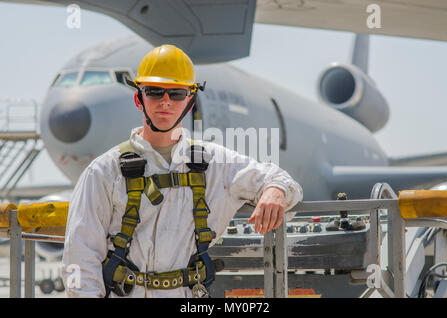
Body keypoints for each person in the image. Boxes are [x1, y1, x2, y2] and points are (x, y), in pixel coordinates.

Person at [62, 44, 303, 298]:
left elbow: (282, 181)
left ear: (189, 101)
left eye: (176, 93)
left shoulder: (215, 164)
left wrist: (275, 190)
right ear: (138, 98)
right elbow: (80, 256)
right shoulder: (104, 171)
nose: (165, 101)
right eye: (155, 92)